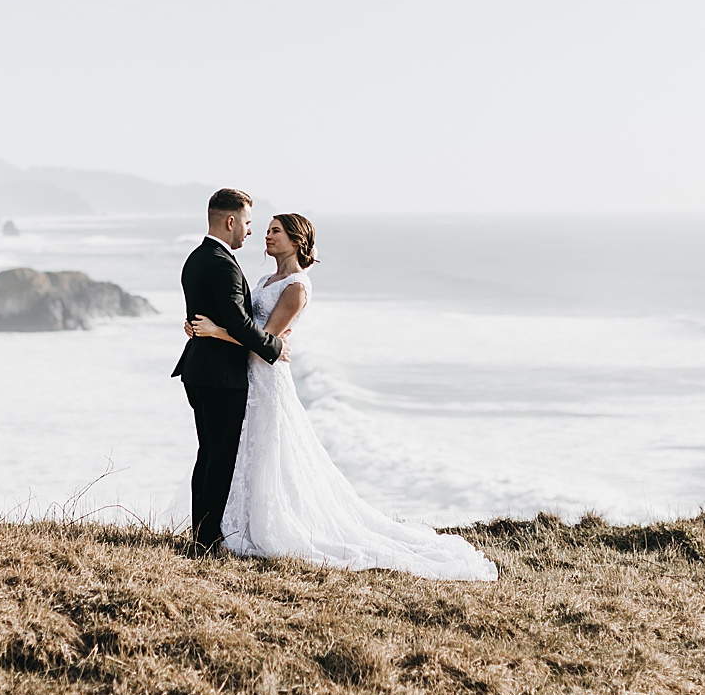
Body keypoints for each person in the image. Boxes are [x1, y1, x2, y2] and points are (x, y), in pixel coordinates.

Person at [185, 210, 497, 581]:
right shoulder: (266, 278)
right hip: (246, 377)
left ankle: (260, 526)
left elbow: (262, 339)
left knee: (267, 452)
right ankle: (230, 525)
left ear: (297, 240)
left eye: (276, 232)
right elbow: (252, 329)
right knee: (241, 454)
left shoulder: (296, 287)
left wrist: (215, 331)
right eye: (266, 230)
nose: (266, 237)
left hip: (266, 378)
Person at [172, 188, 287, 552]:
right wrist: (276, 347)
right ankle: (206, 541)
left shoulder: (196, 257)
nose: (251, 232)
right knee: (219, 457)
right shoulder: (222, 263)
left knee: (207, 454)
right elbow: (238, 324)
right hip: (221, 376)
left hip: (199, 369)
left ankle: (202, 534)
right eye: (249, 223)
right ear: (231, 221)